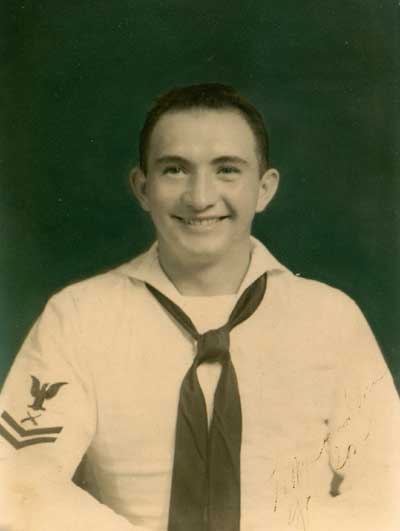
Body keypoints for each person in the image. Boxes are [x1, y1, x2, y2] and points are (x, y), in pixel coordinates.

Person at [0, 83, 399, 531]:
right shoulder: (78, 316)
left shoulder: (330, 319)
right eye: (175, 170)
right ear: (142, 188)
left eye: (227, 170)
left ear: (264, 189)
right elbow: (17, 479)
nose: (200, 197)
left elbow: (387, 486)